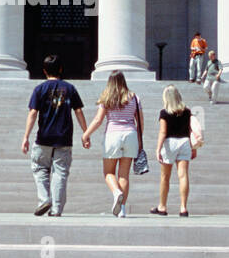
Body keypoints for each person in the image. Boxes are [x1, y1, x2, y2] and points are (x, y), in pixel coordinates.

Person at [22, 54, 87, 216]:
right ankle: (56, 209)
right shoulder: (70, 88)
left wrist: (26, 137)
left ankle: (44, 199)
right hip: (63, 138)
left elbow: (32, 113)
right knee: (60, 173)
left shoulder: (39, 89)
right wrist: (86, 133)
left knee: (40, 169)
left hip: (43, 137)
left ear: (44, 71)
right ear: (60, 69)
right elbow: (78, 111)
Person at [82, 70, 143, 218]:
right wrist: (140, 139)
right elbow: (140, 121)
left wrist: (86, 134)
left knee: (108, 172)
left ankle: (116, 192)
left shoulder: (106, 98)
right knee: (124, 175)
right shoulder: (134, 97)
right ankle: (121, 210)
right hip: (131, 134)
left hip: (112, 135)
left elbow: (98, 120)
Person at [150, 84, 196, 217]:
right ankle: (183, 208)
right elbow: (190, 130)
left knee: (165, 177)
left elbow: (163, 132)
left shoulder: (164, 112)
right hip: (184, 142)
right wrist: (193, 147)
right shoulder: (187, 111)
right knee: (183, 175)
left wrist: (158, 149)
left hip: (170, 143)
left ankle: (162, 206)